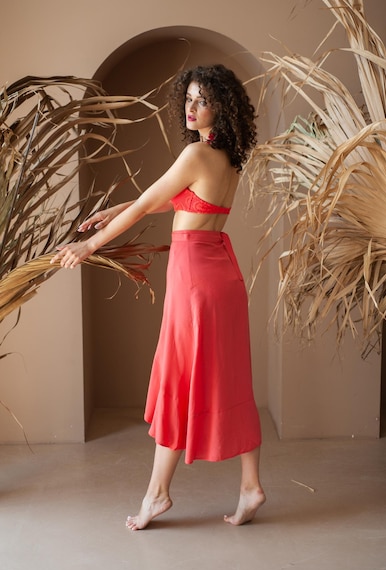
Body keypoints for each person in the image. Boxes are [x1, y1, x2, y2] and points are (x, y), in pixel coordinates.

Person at [51, 64, 266, 529]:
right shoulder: (228, 157)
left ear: (220, 107)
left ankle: (157, 495)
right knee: (231, 378)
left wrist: (90, 244)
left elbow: (153, 200)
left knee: (178, 379)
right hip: (223, 277)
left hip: (195, 283)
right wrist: (114, 208)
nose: (191, 108)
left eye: (201, 100)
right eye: (187, 98)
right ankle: (250, 486)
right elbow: (177, 199)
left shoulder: (195, 154)